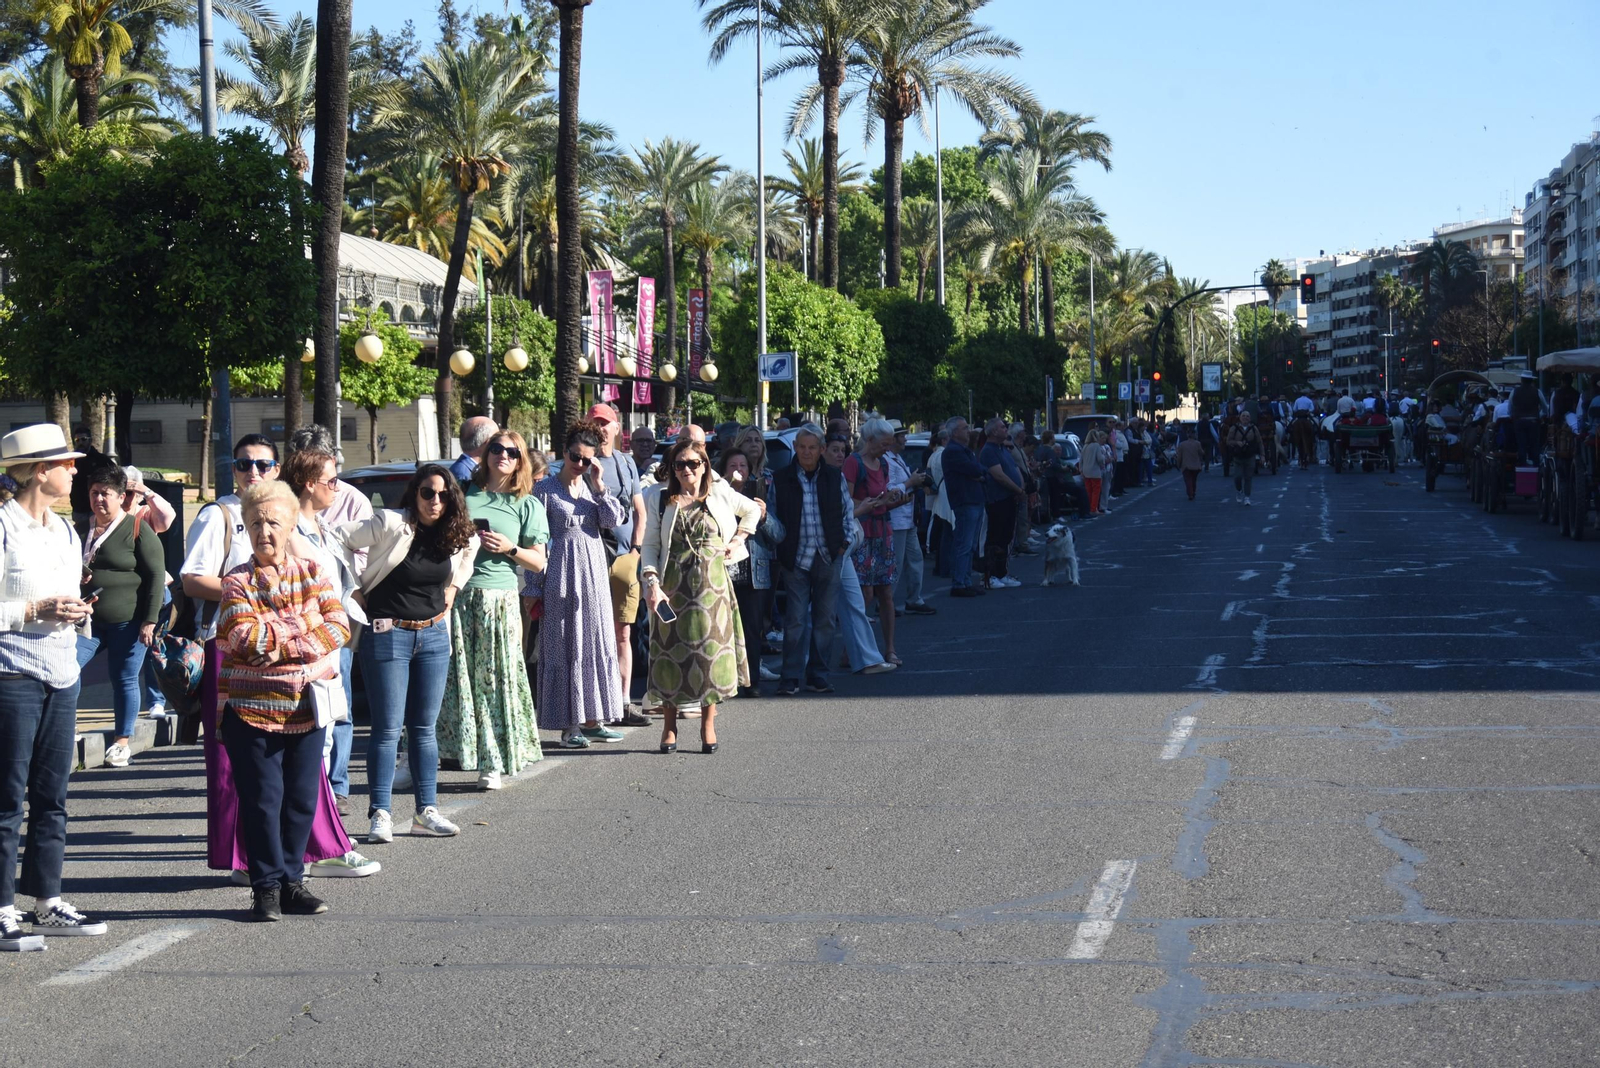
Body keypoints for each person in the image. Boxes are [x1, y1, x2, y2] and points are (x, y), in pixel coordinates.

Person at [183, 434, 373, 884]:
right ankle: (248, 865)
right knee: (243, 775)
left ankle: (306, 858)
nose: (253, 472)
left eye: (264, 464)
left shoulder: (290, 513)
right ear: (231, 469)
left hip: (301, 669)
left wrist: (285, 628)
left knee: (303, 777)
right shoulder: (221, 514)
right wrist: (244, 595)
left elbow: (332, 612)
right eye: (243, 463)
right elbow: (193, 579)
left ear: (276, 469)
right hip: (233, 651)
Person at [218, 480, 349, 922]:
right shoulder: (236, 580)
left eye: (273, 522)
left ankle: (294, 882)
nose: (264, 531)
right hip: (252, 713)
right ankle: (266, 888)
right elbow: (242, 637)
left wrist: (278, 637)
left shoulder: (313, 571)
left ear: (291, 524)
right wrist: (302, 628)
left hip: (307, 709)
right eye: (255, 523)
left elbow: (339, 627)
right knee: (262, 801)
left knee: (300, 801)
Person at [0, 425, 107, 950]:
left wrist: (75, 609)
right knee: (5, 797)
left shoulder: (66, 532)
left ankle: (46, 900)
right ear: (40, 471)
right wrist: (32, 610)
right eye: (66, 463)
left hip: (63, 672)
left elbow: (64, 596)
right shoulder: (2, 526)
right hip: (11, 675)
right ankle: (1, 908)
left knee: (53, 797)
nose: (74, 471)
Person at [333, 464, 475, 843]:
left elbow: (472, 545)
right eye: (428, 493)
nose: (435, 501)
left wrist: (454, 589)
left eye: (444, 495)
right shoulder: (391, 522)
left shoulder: (452, 532)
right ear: (414, 493)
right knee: (387, 729)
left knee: (424, 730)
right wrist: (352, 590)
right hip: (387, 634)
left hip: (432, 636)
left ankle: (426, 811)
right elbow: (334, 537)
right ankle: (380, 812)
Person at [442, 430, 548, 790]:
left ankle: (492, 761)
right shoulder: (464, 494)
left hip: (497, 599)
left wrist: (509, 547)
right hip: (456, 596)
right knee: (448, 683)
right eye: (497, 449)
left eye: (512, 452)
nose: (503, 456)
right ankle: (424, 757)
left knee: (490, 682)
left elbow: (538, 563)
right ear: (486, 454)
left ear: (520, 461)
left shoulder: (526, 504)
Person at [285, 425, 373, 817]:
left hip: (333, 642)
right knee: (311, 732)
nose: (337, 488)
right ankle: (314, 826)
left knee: (331, 721)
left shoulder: (322, 527)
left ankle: (325, 809)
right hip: (309, 644)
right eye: (331, 480)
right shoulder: (291, 530)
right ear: (308, 484)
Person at [641, 440, 752, 752]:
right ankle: (669, 725)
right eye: (680, 464)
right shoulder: (659, 497)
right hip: (672, 586)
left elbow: (752, 511)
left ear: (705, 465)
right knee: (669, 655)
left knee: (709, 657)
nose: (687, 469)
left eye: (693, 463)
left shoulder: (718, 493)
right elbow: (650, 543)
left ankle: (708, 724)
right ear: (672, 468)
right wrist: (651, 581)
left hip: (712, 588)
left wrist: (738, 540)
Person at [533, 421, 628, 749]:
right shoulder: (543, 490)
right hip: (560, 573)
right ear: (564, 452)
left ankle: (594, 719)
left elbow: (613, 521)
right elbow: (534, 541)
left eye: (587, 460)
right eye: (576, 456)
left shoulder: (591, 489)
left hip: (595, 576)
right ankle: (568, 726)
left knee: (596, 641)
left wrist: (601, 487)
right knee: (566, 644)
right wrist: (534, 589)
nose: (580, 464)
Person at [75, 460, 163, 768]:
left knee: (124, 678)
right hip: (88, 621)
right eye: (94, 492)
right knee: (68, 669)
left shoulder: (137, 527)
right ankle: (65, 730)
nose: (99, 499)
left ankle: (121, 742)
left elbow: (155, 576)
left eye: (106, 493)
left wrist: (150, 620)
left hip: (129, 621)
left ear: (119, 495)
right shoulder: (80, 528)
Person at [771, 424, 850, 693]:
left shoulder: (833, 476)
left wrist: (844, 544)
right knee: (795, 621)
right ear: (795, 448)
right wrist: (780, 549)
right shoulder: (781, 479)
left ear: (821, 450)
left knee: (825, 620)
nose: (806, 452)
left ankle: (818, 674)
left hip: (829, 555)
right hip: (795, 558)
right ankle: (790, 677)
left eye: (812, 447)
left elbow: (846, 513)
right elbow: (772, 517)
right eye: (802, 447)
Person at [585, 405, 650, 727]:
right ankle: (597, 705)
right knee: (594, 634)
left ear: (616, 428)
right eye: (594, 424)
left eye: (605, 424)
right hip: (592, 558)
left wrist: (636, 551)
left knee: (623, 632)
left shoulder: (625, 463)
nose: (600, 429)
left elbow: (640, 510)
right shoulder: (580, 464)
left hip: (625, 557)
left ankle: (623, 704)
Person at [717, 447, 785, 696]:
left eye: (743, 466)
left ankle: (751, 680)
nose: (738, 470)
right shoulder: (715, 495)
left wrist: (764, 515)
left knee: (752, 629)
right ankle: (725, 681)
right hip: (724, 570)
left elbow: (779, 535)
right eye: (733, 466)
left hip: (754, 572)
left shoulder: (759, 494)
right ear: (724, 471)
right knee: (722, 628)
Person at [841, 419, 901, 663]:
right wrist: (870, 504)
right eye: (884, 444)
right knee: (863, 595)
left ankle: (889, 648)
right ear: (870, 440)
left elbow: (882, 497)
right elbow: (845, 500)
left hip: (882, 532)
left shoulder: (883, 464)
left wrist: (893, 498)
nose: (887, 448)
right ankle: (854, 648)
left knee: (885, 592)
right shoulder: (853, 463)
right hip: (862, 534)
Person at [887, 430, 934, 615]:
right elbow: (888, 491)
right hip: (897, 519)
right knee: (896, 563)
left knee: (915, 559)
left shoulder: (896, 458)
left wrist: (914, 481)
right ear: (893, 439)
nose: (905, 439)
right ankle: (886, 601)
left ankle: (914, 599)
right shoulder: (887, 461)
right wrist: (910, 482)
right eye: (902, 436)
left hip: (907, 519)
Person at [940, 418, 988, 597]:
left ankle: (966, 580)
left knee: (971, 544)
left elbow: (979, 469)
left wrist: (979, 473)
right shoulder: (953, 451)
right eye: (964, 428)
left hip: (974, 499)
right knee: (965, 544)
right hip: (966, 501)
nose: (968, 431)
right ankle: (959, 582)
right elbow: (976, 470)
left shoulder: (964, 450)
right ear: (954, 433)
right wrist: (979, 474)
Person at [979, 418, 1025, 589]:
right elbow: (998, 475)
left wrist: (1021, 487)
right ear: (992, 432)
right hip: (997, 499)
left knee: (1006, 537)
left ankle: (1001, 572)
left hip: (1010, 498)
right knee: (995, 537)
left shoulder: (1003, 449)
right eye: (1001, 427)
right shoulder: (989, 451)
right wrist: (1018, 490)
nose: (1005, 429)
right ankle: (989, 575)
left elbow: (1014, 469)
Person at [1226, 411, 1264, 506]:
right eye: (1243, 416)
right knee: (1237, 476)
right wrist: (1236, 443)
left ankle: (1247, 497)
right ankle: (1239, 490)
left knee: (1248, 477)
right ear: (1240, 417)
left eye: (1247, 416)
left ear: (1250, 418)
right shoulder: (1234, 428)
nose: (1245, 418)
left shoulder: (1254, 429)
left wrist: (1262, 455)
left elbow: (1259, 442)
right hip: (1238, 456)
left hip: (1250, 456)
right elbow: (1228, 441)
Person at [449, 416, 499, 486]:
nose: (499, 444)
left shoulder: (468, 470)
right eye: (496, 439)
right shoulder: (463, 475)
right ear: (488, 443)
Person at [1080, 429, 1107, 516]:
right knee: (1096, 491)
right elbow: (1100, 458)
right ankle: (1094, 508)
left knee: (1089, 491)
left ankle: (1089, 508)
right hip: (1095, 471)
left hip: (1086, 471)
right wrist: (1103, 460)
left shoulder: (1085, 446)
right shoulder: (1096, 445)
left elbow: (1081, 459)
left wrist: (1081, 470)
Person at [1174, 428, 1204, 501]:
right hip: (1196, 466)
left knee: (1188, 480)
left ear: (1187, 435)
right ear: (1194, 435)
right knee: (1194, 480)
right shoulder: (1197, 443)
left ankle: (1190, 493)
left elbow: (1179, 457)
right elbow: (1202, 453)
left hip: (1186, 466)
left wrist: (1178, 465)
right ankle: (1193, 492)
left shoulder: (1182, 444)